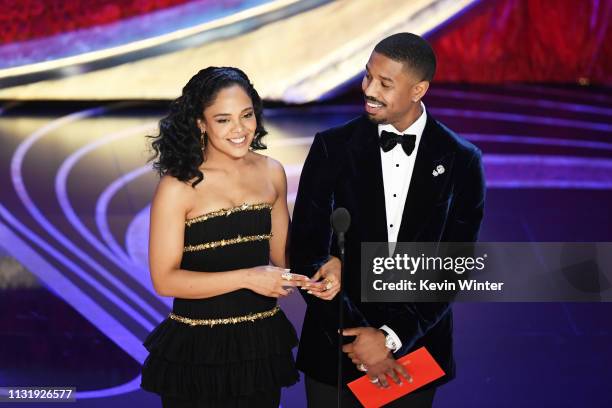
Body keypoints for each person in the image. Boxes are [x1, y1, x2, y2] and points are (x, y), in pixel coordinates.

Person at [291, 33, 486, 407]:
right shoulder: (332, 146)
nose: (368, 89)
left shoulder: (462, 160)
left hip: (414, 348)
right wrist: (358, 339)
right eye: (367, 77)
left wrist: (390, 338)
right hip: (335, 349)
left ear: (419, 89)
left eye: (385, 83)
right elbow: (306, 251)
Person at [141, 66, 312, 407]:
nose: (240, 129)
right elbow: (165, 280)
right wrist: (249, 278)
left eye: (247, 115)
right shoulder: (178, 186)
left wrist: (320, 273)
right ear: (200, 123)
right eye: (223, 119)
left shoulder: (271, 171)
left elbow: (283, 257)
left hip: (259, 345)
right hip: (197, 349)